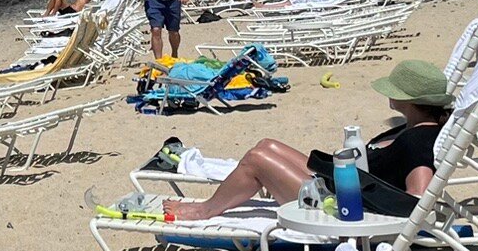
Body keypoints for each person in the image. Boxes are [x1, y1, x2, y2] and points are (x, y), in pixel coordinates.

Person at [122, 59, 455, 223]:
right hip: (345, 190)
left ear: (410, 100)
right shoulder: (412, 128)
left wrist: (366, 212)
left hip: (343, 210)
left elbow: (417, 200)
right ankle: (220, 199)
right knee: (267, 145)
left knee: (256, 162)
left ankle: (205, 210)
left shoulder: (417, 142)